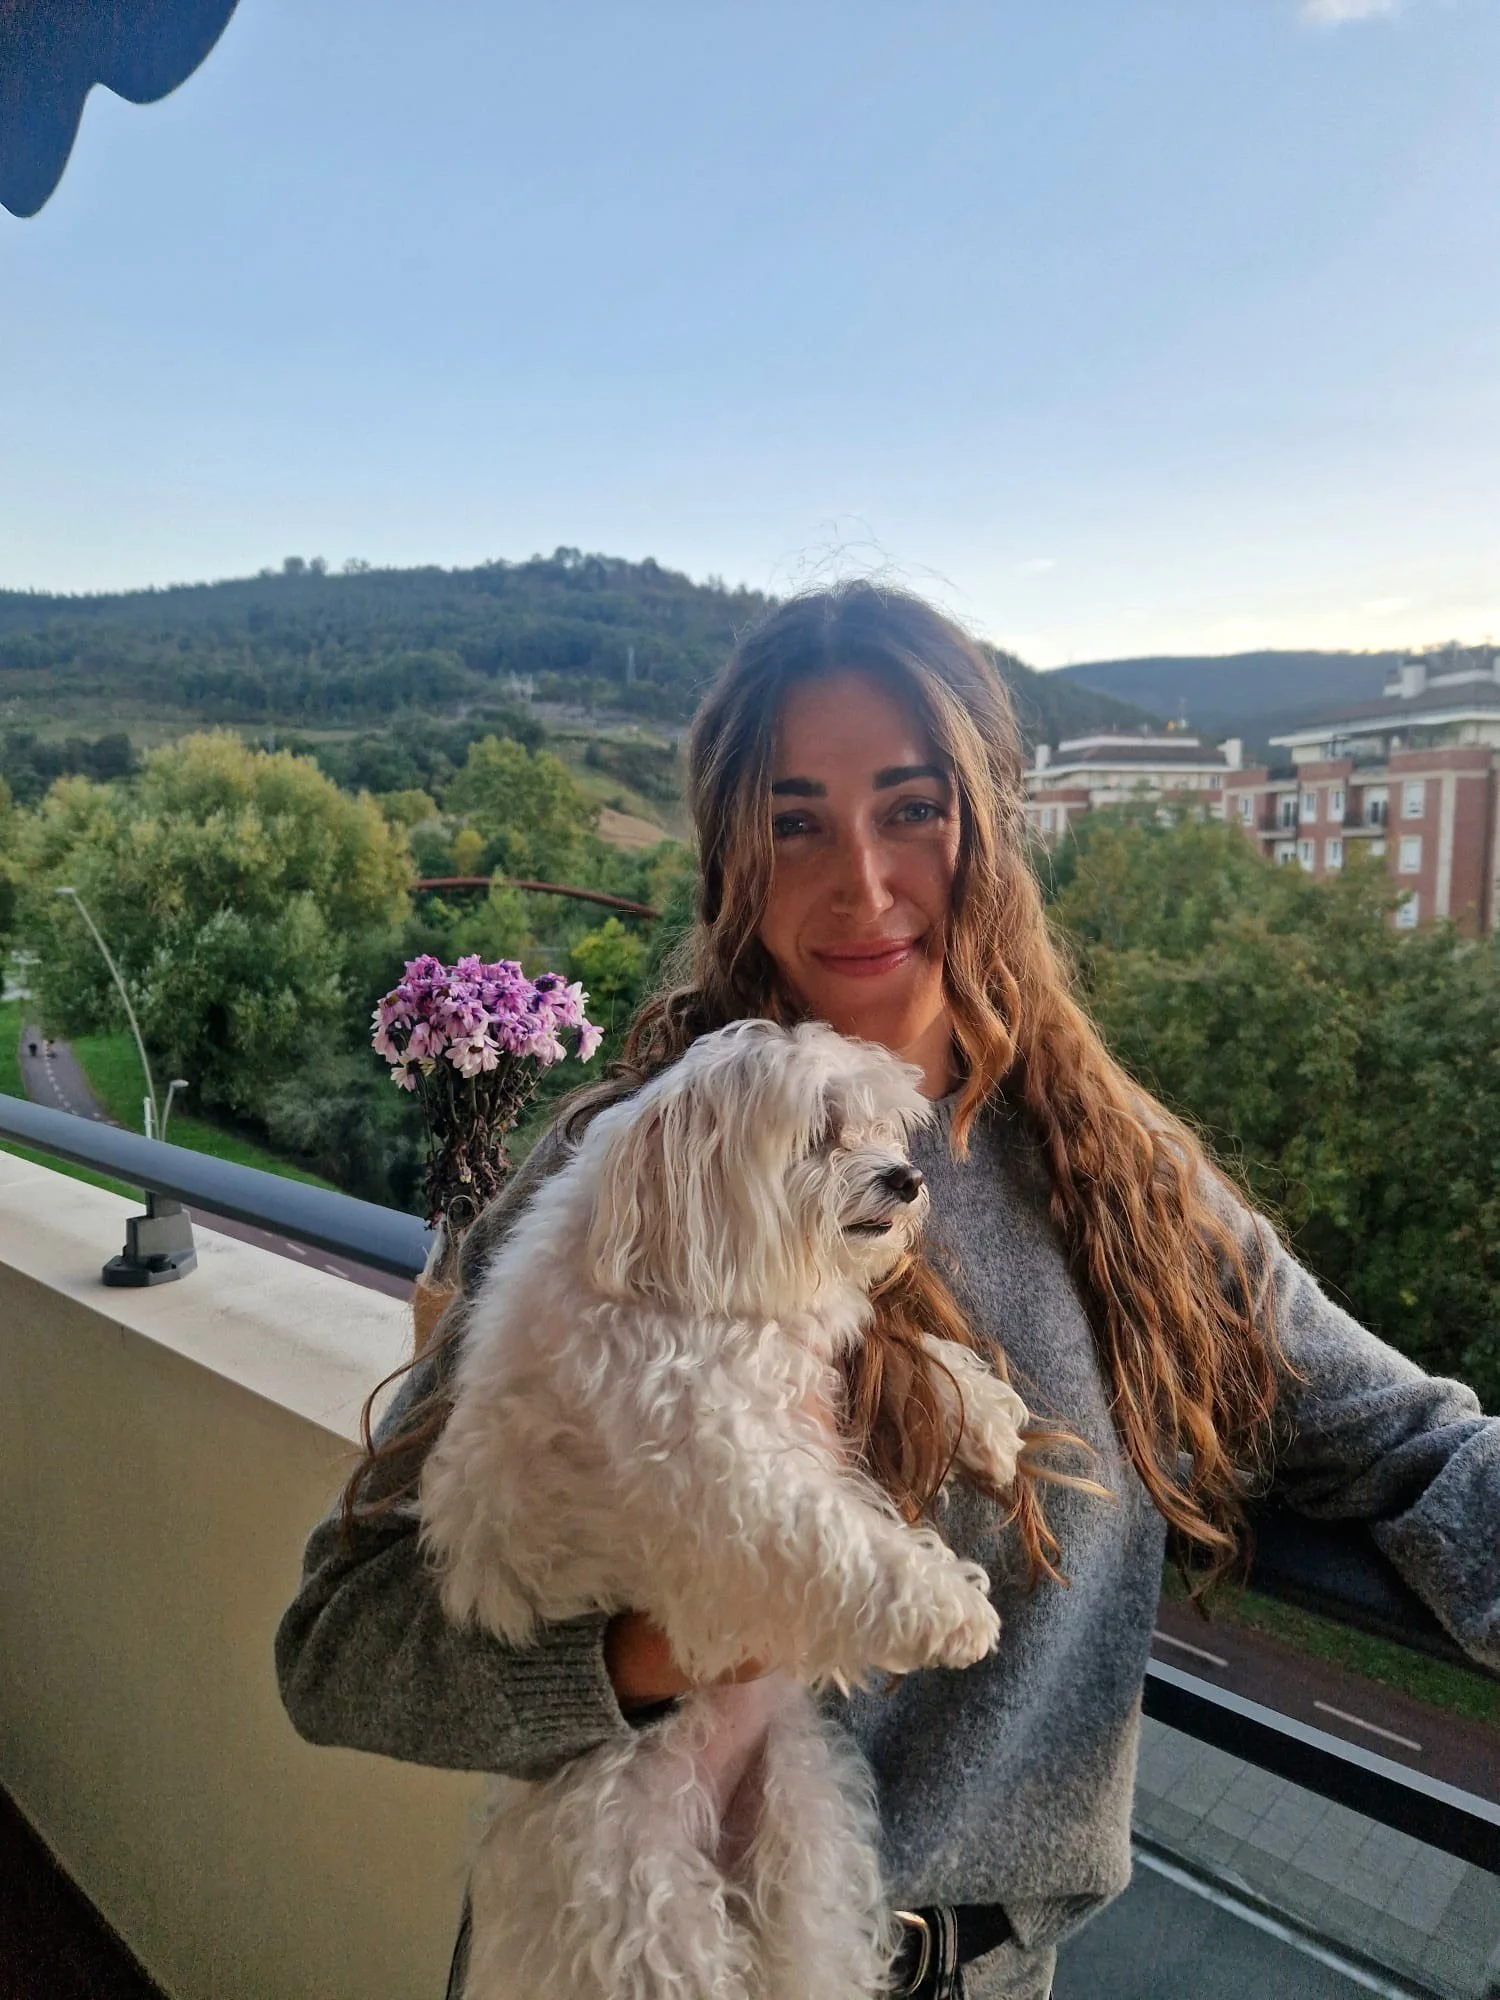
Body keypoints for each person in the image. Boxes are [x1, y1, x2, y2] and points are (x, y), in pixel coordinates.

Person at [275, 583, 1500, 2000]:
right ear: (734, 857)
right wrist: (664, 1645)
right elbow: (340, 1646)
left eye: (911, 808)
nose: (861, 881)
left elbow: (1418, 1450)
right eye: (795, 821)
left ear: (989, 829)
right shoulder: (630, 1180)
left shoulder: (1134, 1197)